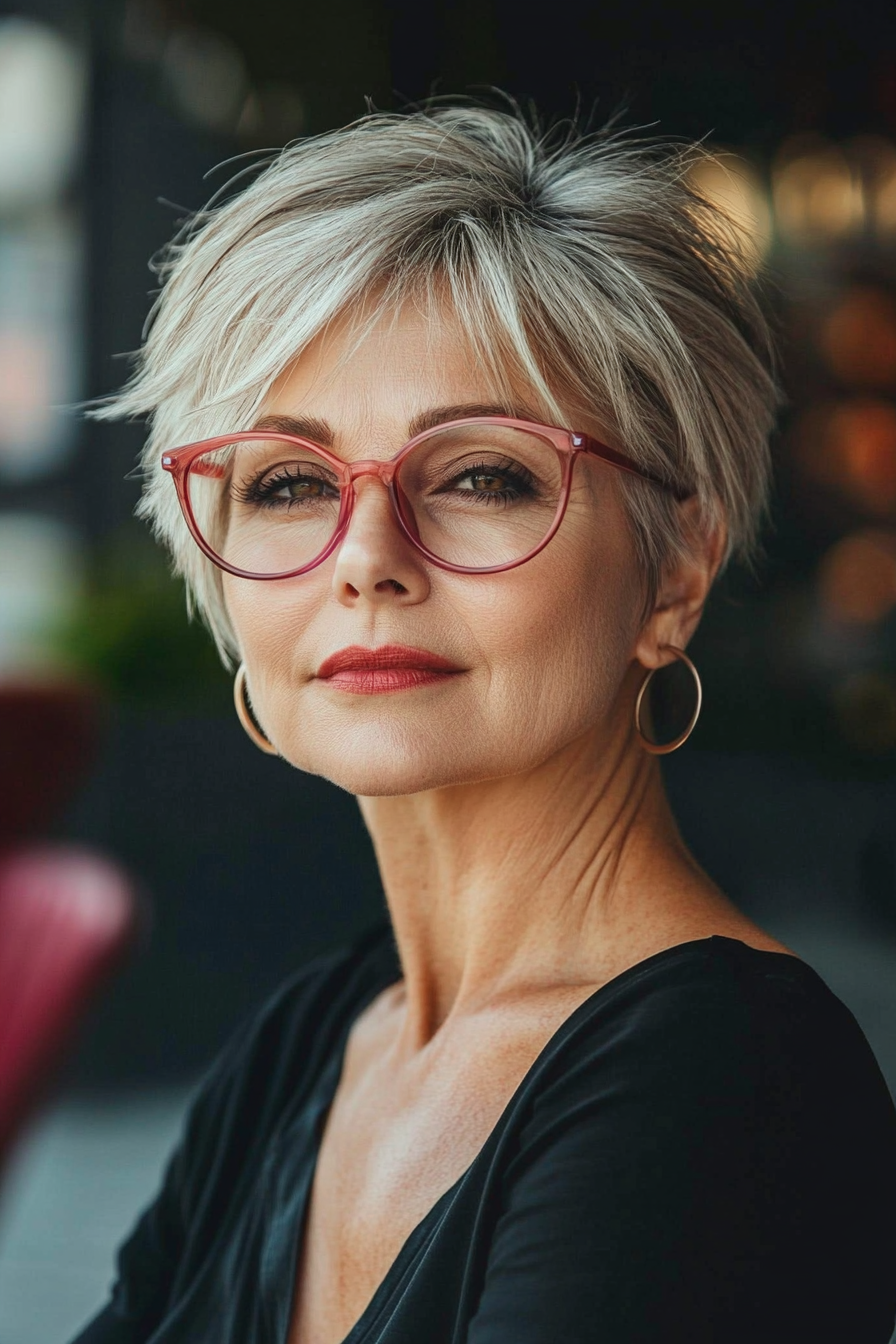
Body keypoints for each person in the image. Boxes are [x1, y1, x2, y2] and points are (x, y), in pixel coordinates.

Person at [74, 104, 896, 1344]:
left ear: (673, 573)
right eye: (289, 482)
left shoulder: (725, 1087)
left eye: (479, 474)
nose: (364, 559)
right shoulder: (313, 1042)